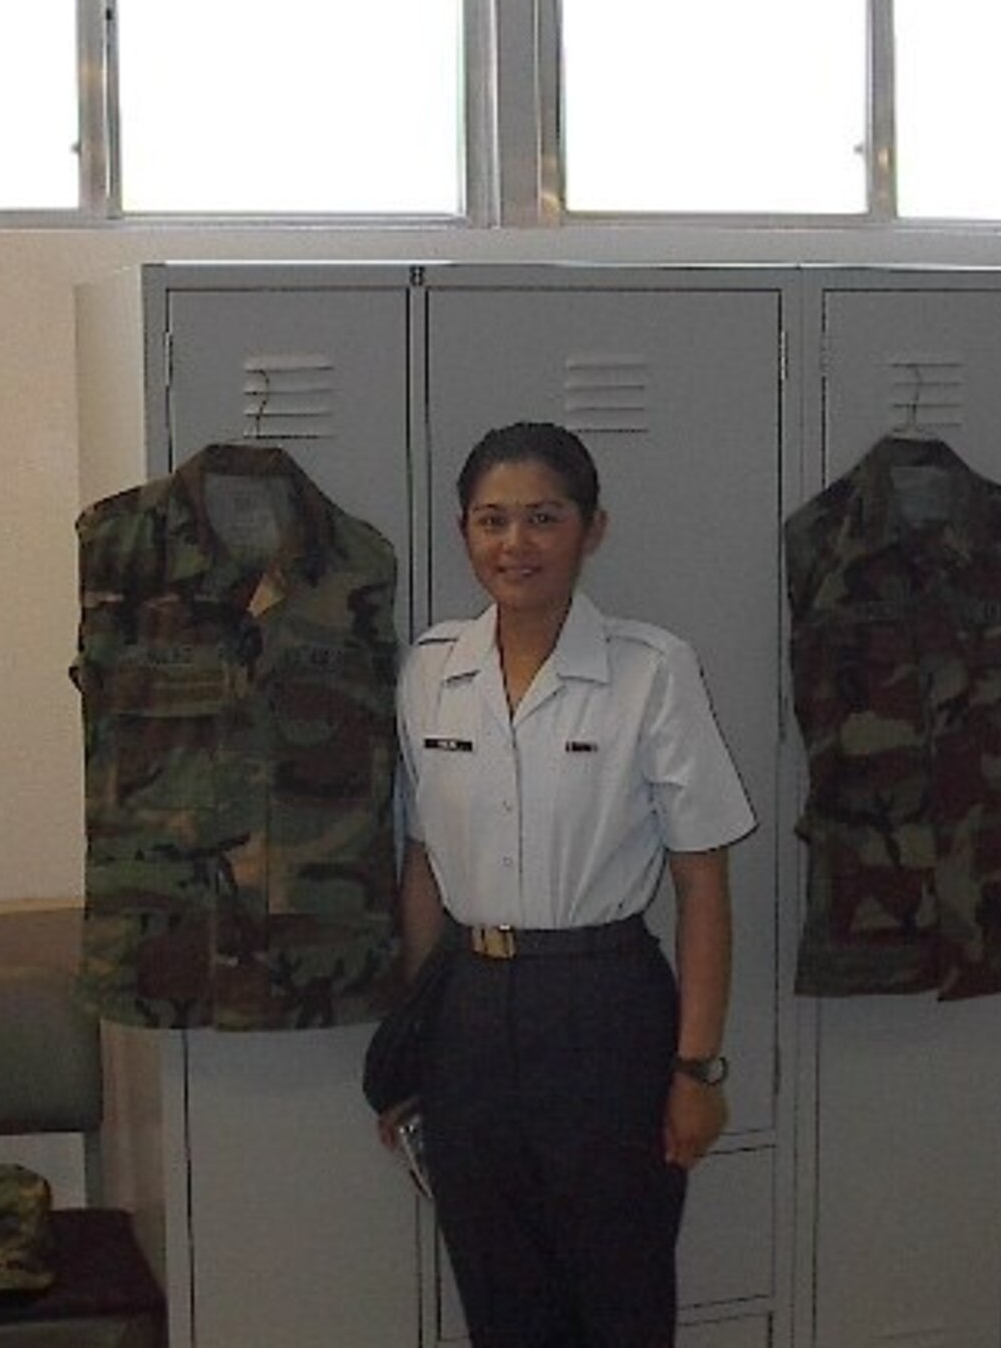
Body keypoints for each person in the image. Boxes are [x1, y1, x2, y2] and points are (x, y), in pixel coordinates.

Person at [386, 421, 756, 1348]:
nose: (515, 545)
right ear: (465, 531)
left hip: (605, 1009)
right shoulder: (432, 671)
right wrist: (413, 1042)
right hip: (467, 1014)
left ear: (592, 530)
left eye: (543, 518)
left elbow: (701, 881)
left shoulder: (650, 671)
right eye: (491, 520)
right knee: (499, 1300)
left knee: (620, 1298)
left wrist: (695, 1069)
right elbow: (424, 867)